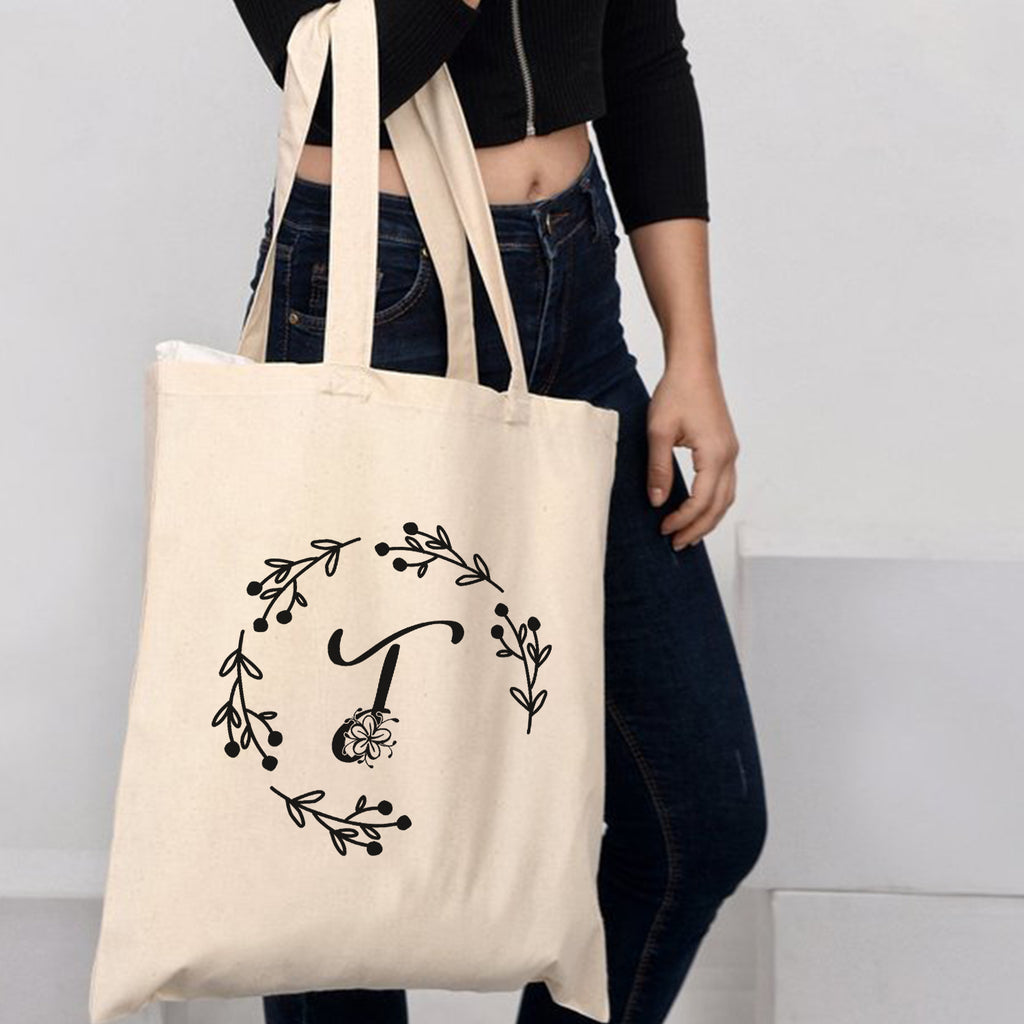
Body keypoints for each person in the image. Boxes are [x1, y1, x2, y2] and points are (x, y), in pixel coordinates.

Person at [233, 0, 768, 1021]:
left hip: (574, 288)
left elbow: (643, 56)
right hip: (375, 294)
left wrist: (691, 350)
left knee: (700, 816)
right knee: (330, 846)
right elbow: (339, 85)